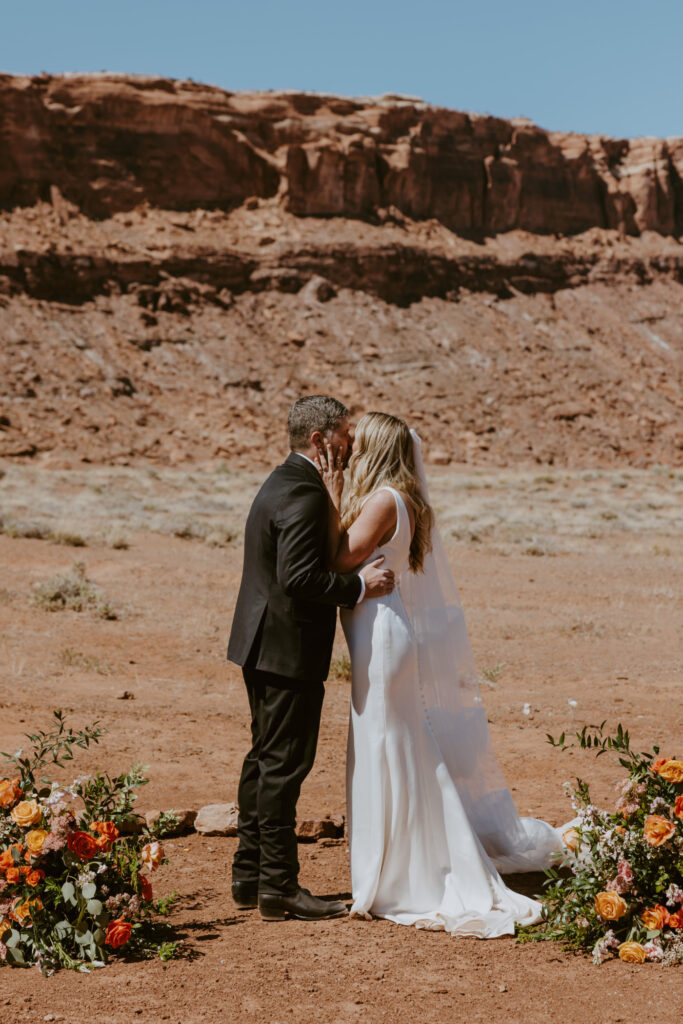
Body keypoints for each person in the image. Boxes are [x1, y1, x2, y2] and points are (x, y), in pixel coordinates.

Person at [315, 411, 564, 936]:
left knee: (391, 748)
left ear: (375, 449)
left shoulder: (384, 499)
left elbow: (338, 557)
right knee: (396, 748)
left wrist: (332, 487)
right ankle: (400, 864)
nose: (347, 449)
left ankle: (402, 876)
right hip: (381, 632)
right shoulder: (400, 497)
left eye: (356, 443)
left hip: (382, 636)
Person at [227, 396, 395, 922]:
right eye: (346, 433)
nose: (353, 443)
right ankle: (279, 888)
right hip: (287, 649)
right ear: (320, 440)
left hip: (262, 642)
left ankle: (249, 872)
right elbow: (299, 577)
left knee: (263, 758)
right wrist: (358, 586)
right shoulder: (304, 495)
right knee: (283, 765)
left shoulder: (285, 480)